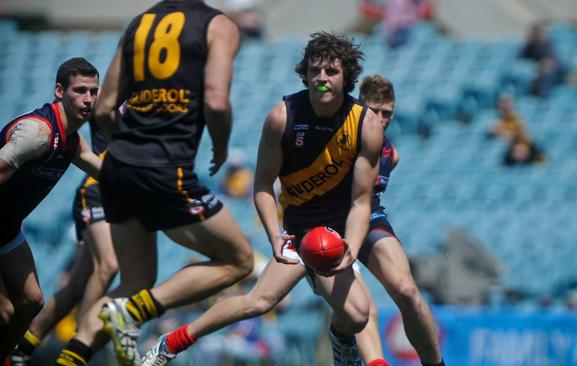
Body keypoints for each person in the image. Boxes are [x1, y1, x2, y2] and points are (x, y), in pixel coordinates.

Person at [139, 31, 383, 366]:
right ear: (306, 73)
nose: (321, 78)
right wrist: (273, 235)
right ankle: (171, 343)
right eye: (315, 70)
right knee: (257, 302)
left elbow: (360, 201)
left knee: (358, 315)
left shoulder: (366, 124)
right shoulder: (282, 117)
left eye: (331, 71)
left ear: (347, 77)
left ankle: (341, 341)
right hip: (298, 235)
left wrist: (351, 247)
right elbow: (263, 185)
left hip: (337, 236)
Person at [53, 2, 254, 366]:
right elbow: (217, 101)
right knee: (239, 261)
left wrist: (131, 148)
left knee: (137, 279)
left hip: (117, 168)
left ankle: (72, 357)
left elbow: (104, 108)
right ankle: (133, 312)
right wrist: (221, 148)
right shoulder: (218, 25)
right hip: (167, 169)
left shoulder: (137, 25)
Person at [0, 57, 102, 363]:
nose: (88, 99)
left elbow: (109, 173)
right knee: (4, 314)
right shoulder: (37, 133)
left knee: (32, 301)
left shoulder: (71, 140)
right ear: (59, 91)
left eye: (94, 91)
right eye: (80, 90)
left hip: (6, 227)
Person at [8, 121, 118, 366]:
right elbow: (100, 114)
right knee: (108, 265)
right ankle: (78, 350)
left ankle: (23, 348)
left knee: (77, 285)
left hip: (127, 198)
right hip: (99, 191)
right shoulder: (128, 103)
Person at [353, 75, 445, 366]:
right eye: (373, 110)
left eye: (387, 113)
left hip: (369, 216)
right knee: (364, 307)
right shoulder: (341, 141)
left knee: (407, 290)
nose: (380, 119)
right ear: (358, 107)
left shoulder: (392, 154)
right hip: (330, 222)